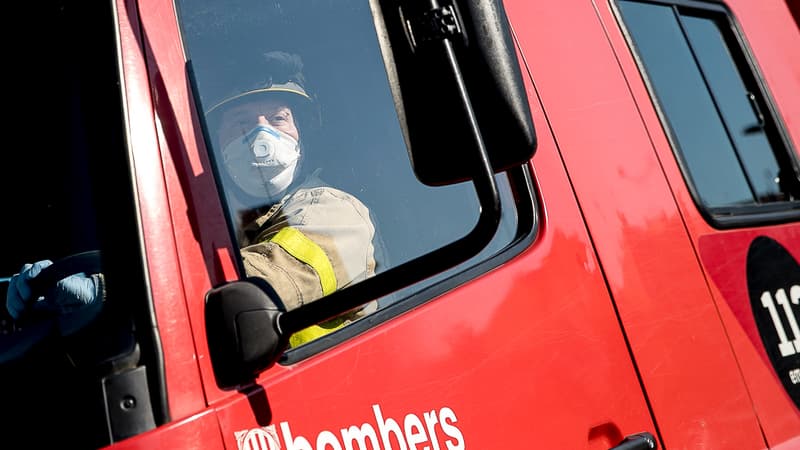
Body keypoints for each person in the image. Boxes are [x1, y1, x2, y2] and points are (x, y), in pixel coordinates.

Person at [2, 51, 379, 361]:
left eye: (278, 118)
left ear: (302, 132)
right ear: (216, 143)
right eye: (241, 122)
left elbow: (261, 281)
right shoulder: (208, 227)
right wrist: (56, 295)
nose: (261, 135)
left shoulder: (336, 212)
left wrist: (109, 288)